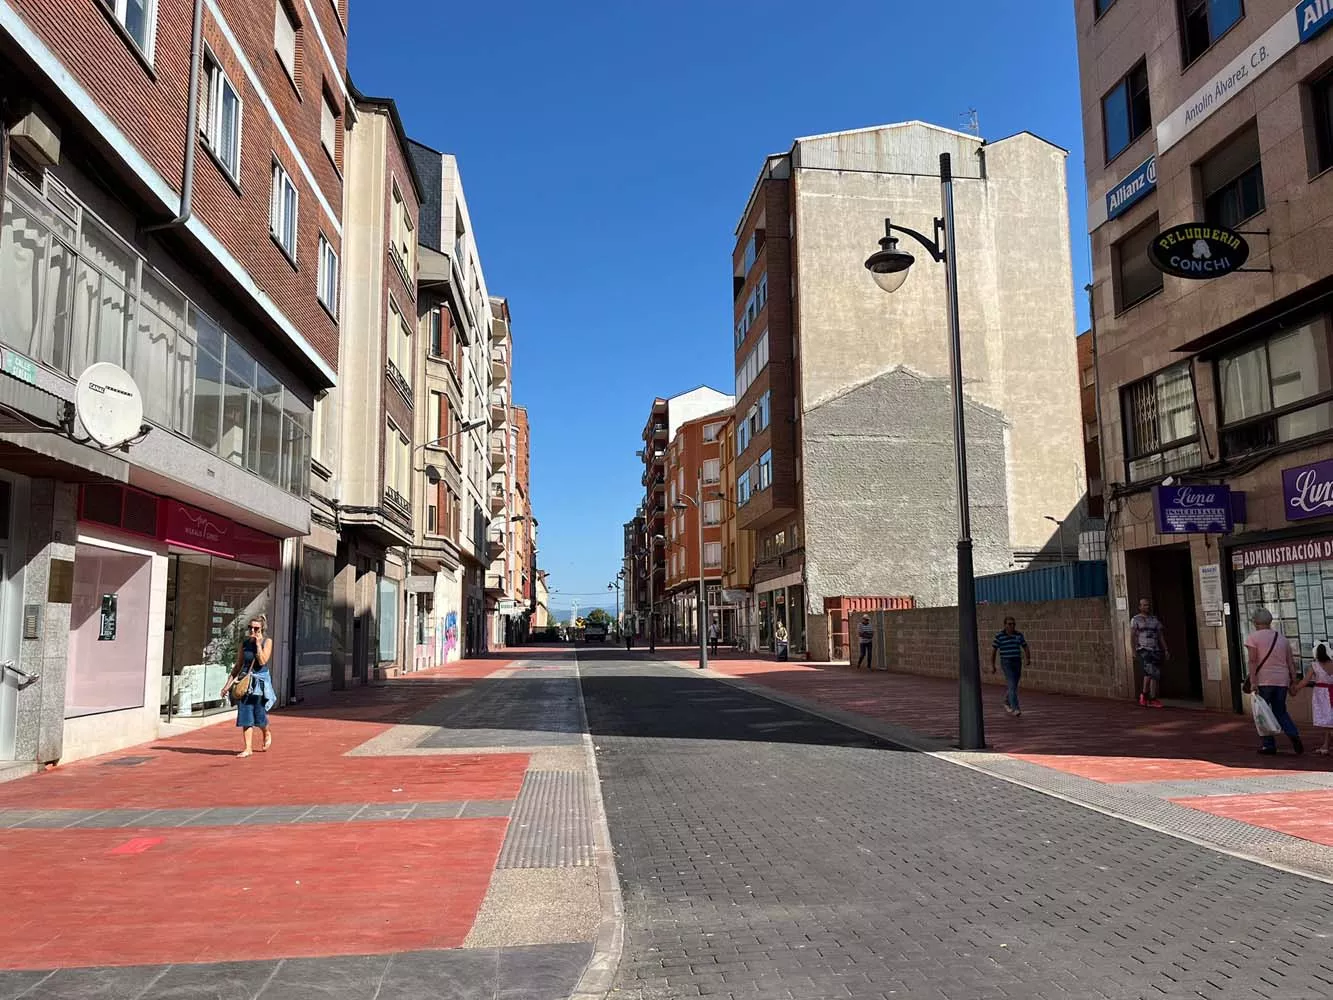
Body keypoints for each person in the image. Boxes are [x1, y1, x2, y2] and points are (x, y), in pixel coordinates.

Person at [1245, 608, 1303, 756]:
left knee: (1262, 713)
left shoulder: (1253, 638)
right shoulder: (1282, 638)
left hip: (1263, 680)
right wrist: (1293, 680)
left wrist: (1253, 681)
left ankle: (1268, 744)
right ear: (1270, 621)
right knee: (1280, 710)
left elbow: (1252, 661)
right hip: (1281, 680)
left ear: (1255, 622)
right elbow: (1290, 661)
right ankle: (1293, 734)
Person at [220, 615, 276, 758]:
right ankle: (248, 748)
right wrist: (227, 685)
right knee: (245, 715)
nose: (252, 630)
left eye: (256, 628)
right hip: (244, 682)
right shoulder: (244, 644)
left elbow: (263, 661)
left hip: (259, 684)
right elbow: (238, 665)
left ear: (261, 629)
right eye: (250, 627)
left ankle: (266, 732)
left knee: (259, 715)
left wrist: (257, 645)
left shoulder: (267, 642)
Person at [1130, 598, 1169, 708]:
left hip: (1155, 649)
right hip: (1143, 649)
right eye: (1144, 605)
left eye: (1147, 605)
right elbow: (1132, 636)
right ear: (1140, 607)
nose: (1146, 607)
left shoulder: (1154, 620)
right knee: (1150, 671)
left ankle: (1150, 697)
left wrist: (1165, 649)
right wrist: (1133, 650)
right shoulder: (1135, 620)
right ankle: (1146, 696)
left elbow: (1160, 636)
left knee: (1153, 674)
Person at [1296, 642, 1333, 756]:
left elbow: (1305, 681)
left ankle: (1326, 746)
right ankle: (1326, 745)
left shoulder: (1315, 665)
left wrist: (1295, 689)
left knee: (1327, 722)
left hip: (1321, 694)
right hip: (1331, 691)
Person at [990, 616, 1031, 716]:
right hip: (1006, 662)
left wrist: (1028, 658)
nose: (1012, 626)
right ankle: (1015, 708)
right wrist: (993, 665)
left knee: (1014, 685)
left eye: (1013, 624)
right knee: (1011, 683)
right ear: (1005, 625)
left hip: (1017, 661)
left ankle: (1007, 701)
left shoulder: (1018, 635)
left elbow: (1025, 646)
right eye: (1009, 624)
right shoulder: (999, 636)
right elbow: (994, 651)